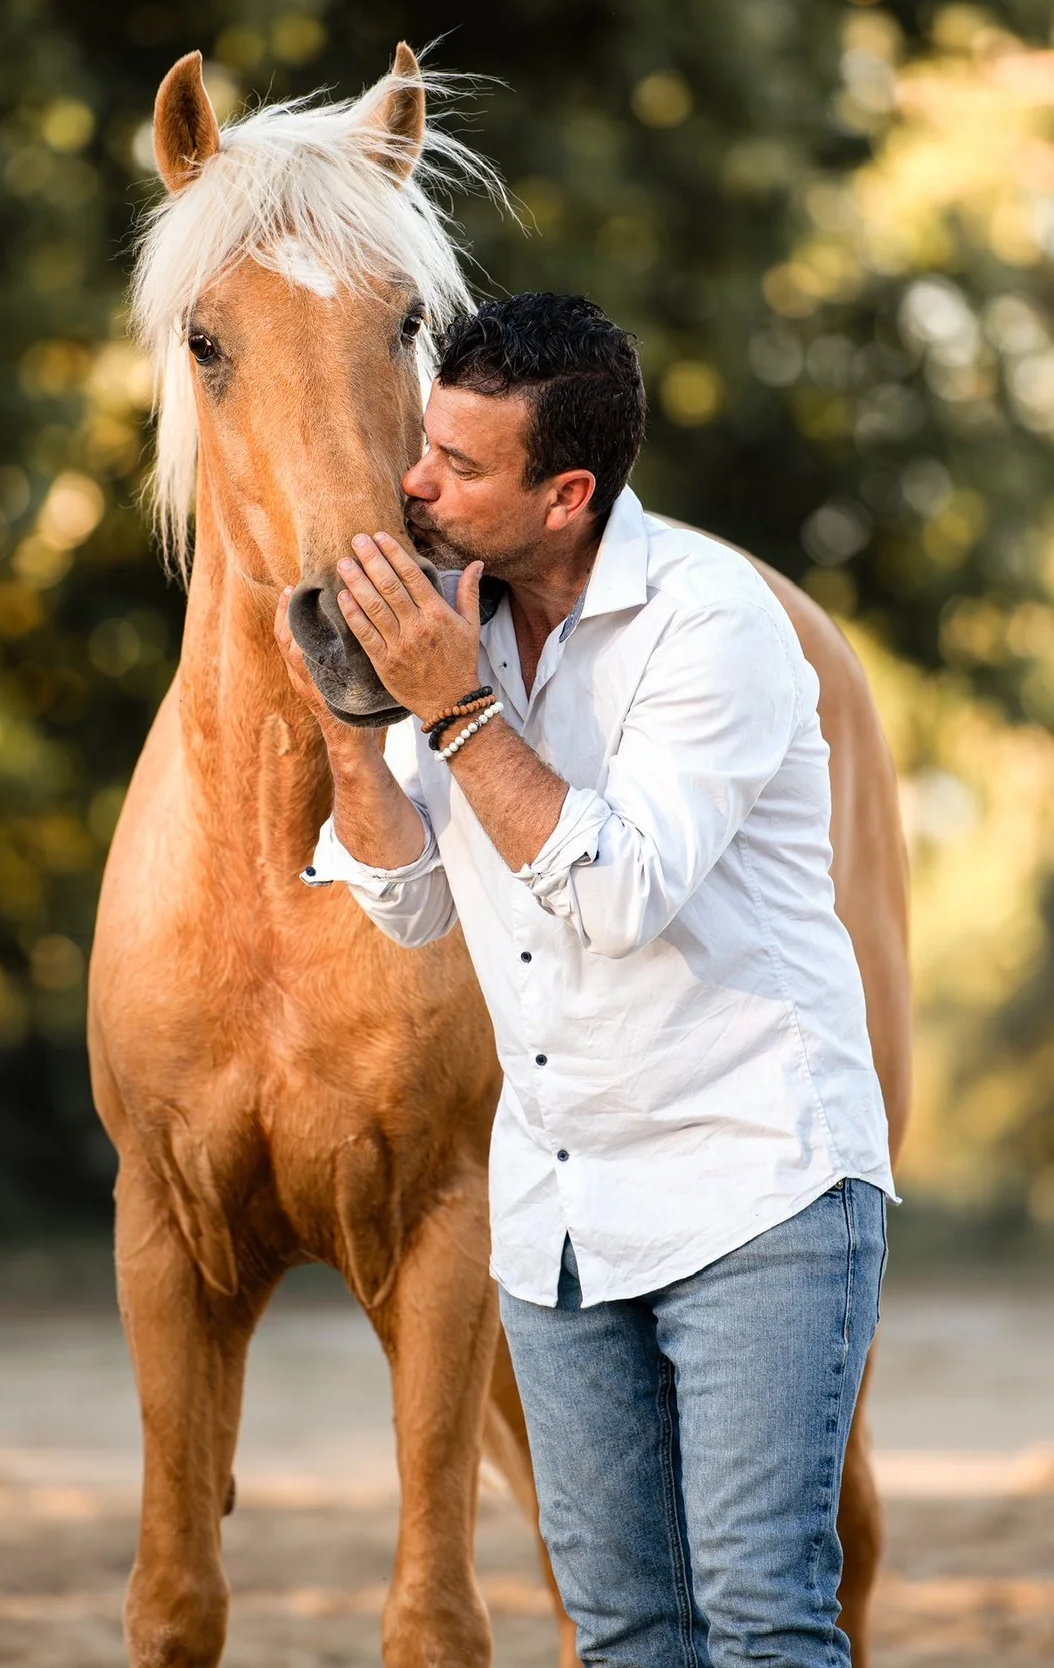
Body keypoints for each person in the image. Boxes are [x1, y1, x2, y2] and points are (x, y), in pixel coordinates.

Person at [274, 291, 894, 1668]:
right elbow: (409, 901)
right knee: (619, 1630)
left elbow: (616, 891)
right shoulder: (461, 619)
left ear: (566, 496)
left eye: (459, 469)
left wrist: (450, 705)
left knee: (762, 1618)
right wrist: (352, 732)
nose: (414, 485)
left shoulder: (712, 624)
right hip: (559, 1210)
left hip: (758, 1188)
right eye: (422, 449)